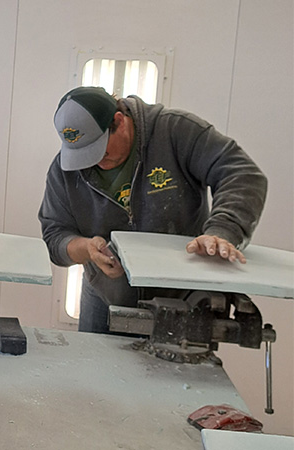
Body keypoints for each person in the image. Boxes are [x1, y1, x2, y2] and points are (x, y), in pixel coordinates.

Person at [39, 86, 267, 334]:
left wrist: (223, 231)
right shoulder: (65, 170)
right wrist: (86, 249)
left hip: (183, 296)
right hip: (105, 294)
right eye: (83, 155)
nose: (93, 162)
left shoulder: (175, 131)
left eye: (99, 151)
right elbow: (55, 235)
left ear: (119, 121)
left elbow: (241, 174)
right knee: (95, 370)